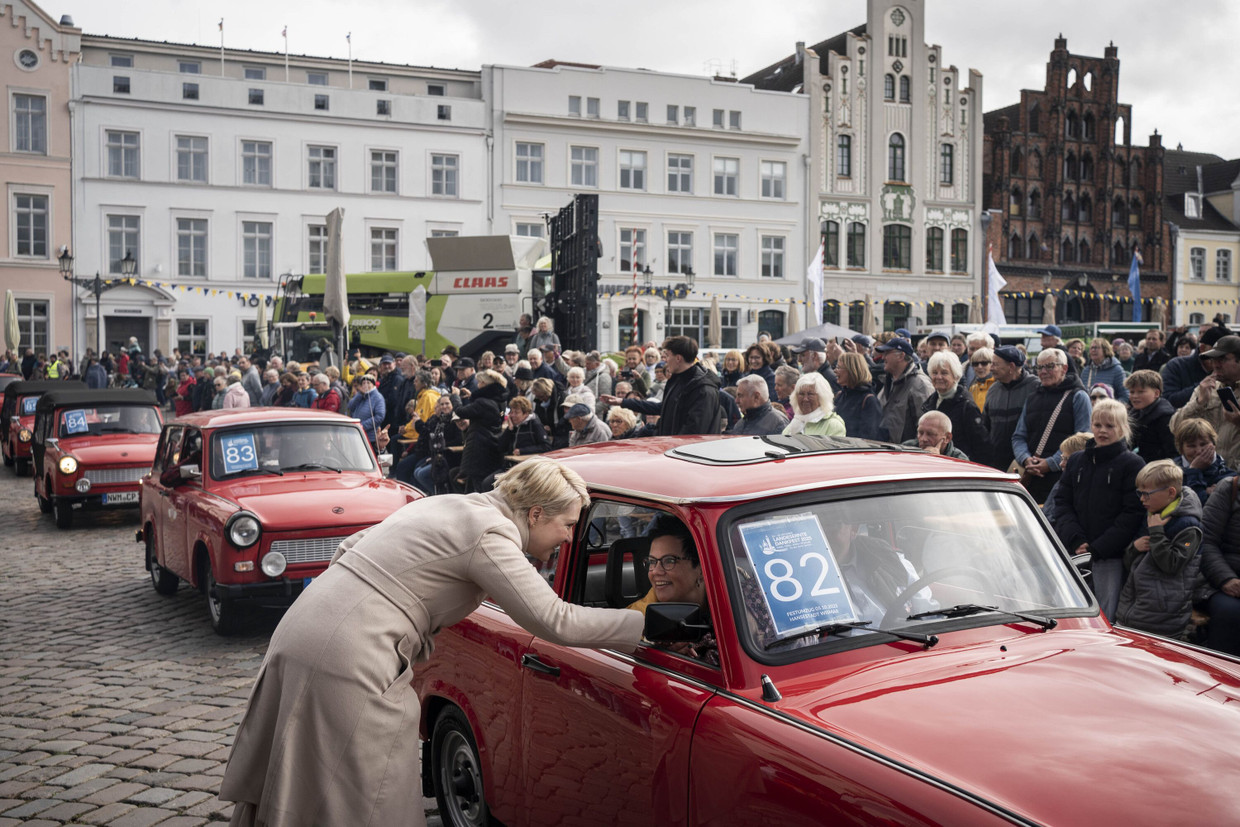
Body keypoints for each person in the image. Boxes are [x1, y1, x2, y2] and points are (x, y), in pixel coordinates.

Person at [220, 458, 645, 826]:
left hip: (304, 627)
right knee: (365, 788)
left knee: (307, 772)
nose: (571, 537)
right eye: (568, 524)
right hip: (350, 652)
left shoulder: (448, 502)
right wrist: (642, 624)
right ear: (535, 514)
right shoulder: (490, 531)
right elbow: (556, 620)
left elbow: (347, 549)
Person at [1049, 398, 1146, 619]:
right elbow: (1062, 502)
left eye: (1110, 426)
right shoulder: (1076, 460)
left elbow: (1132, 513)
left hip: (1109, 555)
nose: (1102, 431)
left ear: (1122, 428)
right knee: (1068, 610)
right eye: (1098, 425)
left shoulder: (1132, 463)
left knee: (1104, 613)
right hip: (1074, 548)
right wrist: (1075, 538)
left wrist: (1099, 547)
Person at [1115, 460, 1203, 640]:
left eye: (1147, 494)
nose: (1141, 499)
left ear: (1171, 492)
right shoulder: (1152, 513)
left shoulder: (1189, 526)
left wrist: (1156, 533)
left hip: (1163, 617)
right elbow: (1130, 563)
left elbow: (1172, 565)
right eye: (1140, 493)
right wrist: (1134, 548)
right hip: (1136, 609)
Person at [626, 515, 716, 663]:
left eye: (669, 561)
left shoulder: (735, 597)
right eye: (652, 562)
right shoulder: (639, 619)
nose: (655, 571)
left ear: (701, 569)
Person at [1012, 347, 1092, 503]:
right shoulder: (1032, 397)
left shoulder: (1078, 396)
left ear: (1064, 368)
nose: (1043, 371)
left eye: (1050, 366)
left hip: (1062, 478)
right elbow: (1018, 436)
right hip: (1031, 478)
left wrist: (1051, 463)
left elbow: (1082, 439)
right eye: (1040, 367)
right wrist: (1026, 459)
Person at [603, 336, 722, 436]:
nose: (665, 361)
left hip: (688, 457)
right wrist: (623, 402)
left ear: (678, 358)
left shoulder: (703, 389)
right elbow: (664, 407)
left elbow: (694, 431)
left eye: (667, 356)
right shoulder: (679, 379)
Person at [1169, 334, 1240, 468]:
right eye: (1213, 360)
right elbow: (1175, 427)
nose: (1216, 365)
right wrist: (1198, 403)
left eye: (1222, 359)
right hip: (1207, 475)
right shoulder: (1206, 389)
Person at [1199, 472, 1240, 655]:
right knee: (1230, 613)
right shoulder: (1230, 488)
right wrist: (1226, 579)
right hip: (1219, 580)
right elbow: (1205, 541)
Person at [922, 351, 987, 463]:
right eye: (934, 372)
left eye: (944, 373)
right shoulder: (929, 402)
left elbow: (981, 447)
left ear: (956, 376)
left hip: (959, 468)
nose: (938, 377)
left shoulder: (966, 406)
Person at [453, 369, 507, 493]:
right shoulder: (500, 401)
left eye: (480, 383)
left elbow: (460, 411)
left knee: (476, 489)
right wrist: (472, 396)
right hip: (490, 447)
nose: (478, 385)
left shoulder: (483, 403)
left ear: (485, 384)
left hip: (478, 449)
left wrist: (455, 396)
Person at [875, 337, 934, 444]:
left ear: (901, 356)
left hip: (907, 454)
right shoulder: (889, 381)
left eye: (887, 353)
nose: (883, 357)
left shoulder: (919, 384)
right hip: (887, 451)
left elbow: (927, 426)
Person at [1163, 327, 1227, 408]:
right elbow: (1168, 400)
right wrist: (1201, 387)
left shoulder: (1231, 369)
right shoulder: (1177, 366)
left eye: (1227, 357)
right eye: (1218, 354)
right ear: (1203, 348)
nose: (1221, 361)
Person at [1174, 418, 1234, 502]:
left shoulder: (1228, 476)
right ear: (1181, 449)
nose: (1198, 451)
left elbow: (1204, 508)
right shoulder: (1170, 474)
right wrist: (1194, 470)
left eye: (1203, 444)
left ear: (1213, 444)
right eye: (1191, 446)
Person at [1126, 369, 1176, 461]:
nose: (1135, 396)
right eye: (1132, 392)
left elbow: (1172, 452)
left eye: (1140, 392)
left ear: (1156, 393)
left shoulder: (1165, 418)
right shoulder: (1134, 413)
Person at [831, 352, 882, 440]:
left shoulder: (868, 400)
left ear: (852, 370)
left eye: (839, 367)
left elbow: (869, 437)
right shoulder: (841, 395)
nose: (835, 371)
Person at [782, 372, 845, 437]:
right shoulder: (793, 425)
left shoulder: (833, 426)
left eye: (810, 394)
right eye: (801, 394)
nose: (805, 399)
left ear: (822, 397)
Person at [902, 410, 970, 459]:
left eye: (930, 434)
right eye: (920, 433)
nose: (923, 439)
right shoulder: (906, 448)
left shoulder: (959, 460)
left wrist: (936, 460)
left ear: (947, 438)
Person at [1081, 338, 1129, 403]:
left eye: (1096, 348)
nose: (1093, 350)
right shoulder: (1086, 371)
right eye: (1091, 348)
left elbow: (1125, 396)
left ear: (1105, 350)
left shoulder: (1117, 370)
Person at [348, 374, 386, 453]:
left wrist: (362, 426)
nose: (366, 385)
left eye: (368, 383)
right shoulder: (361, 396)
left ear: (373, 384)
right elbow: (350, 407)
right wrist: (359, 395)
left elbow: (379, 416)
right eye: (363, 383)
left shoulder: (378, 397)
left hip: (370, 436)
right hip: (357, 434)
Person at [967, 347, 997, 412]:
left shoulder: (999, 386)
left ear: (992, 364)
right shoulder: (972, 389)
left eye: (984, 363)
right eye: (975, 364)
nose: (979, 367)